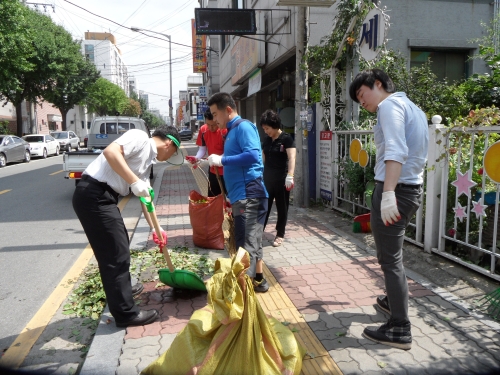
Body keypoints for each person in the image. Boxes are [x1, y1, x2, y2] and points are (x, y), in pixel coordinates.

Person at [349, 69, 428, 350]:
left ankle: (399, 328)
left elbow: (396, 149)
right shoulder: (413, 108)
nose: (362, 103)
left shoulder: (389, 106)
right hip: (410, 189)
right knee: (390, 255)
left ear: (379, 84)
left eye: (362, 94)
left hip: (396, 189)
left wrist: (388, 195)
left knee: (390, 259)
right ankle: (391, 301)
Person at [72, 125, 181, 327]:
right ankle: (126, 314)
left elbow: (145, 199)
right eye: (175, 152)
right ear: (169, 143)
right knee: (116, 255)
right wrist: (133, 181)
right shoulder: (140, 137)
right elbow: (111, 152)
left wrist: (157, 229)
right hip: (93, 195)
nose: (170, 156)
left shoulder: (147, 164)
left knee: (119, 247)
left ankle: (123, 289)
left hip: (103, 199)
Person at [206, 92, 270, 293]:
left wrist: (222, 160)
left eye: (216, 114)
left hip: (249, 195)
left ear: (228, 110)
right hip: (242, 195)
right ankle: (258, 280)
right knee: (253, 241)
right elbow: (238, 159)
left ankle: (243, 294)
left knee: (246, 247)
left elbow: (252, 155)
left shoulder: (243, 127)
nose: (214, 120)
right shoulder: (232, 131)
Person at [260, 110, 296, 247]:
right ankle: (259, 231)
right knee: (264, 206)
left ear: (274, 125)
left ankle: (280, 234)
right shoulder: (267, 140)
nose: (266, 131)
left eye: (267, 128)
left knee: (282, 207)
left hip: (282, 179)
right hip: (267, 179)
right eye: (264, 129)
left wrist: (290, 175)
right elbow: (263, 157)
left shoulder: (286, 138)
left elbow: (292, 157)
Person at [186, 109, 227, 197]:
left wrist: (207, 161)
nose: (211, 128)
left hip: (227, 170)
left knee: (227, 200)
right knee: (213, 198)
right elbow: (202, 149)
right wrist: (196, 158)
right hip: (213, 170)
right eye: (208, 124)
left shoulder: (224, 130)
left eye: (213, 125)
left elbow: (229, 152)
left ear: (217, 120)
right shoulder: (203, 129)